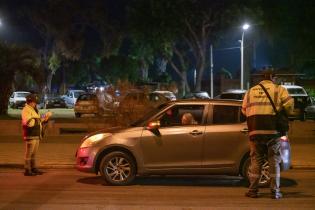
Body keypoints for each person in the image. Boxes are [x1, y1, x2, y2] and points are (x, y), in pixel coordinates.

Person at [242, 69, 294, 199]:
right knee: (274, 161)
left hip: (255, 132)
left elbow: (244, 110)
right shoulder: (279, 90)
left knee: (256, 161)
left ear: (261, 78)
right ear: (272, 77)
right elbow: (289, 106)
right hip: (273, 132)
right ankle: (275, 192)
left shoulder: (250, 92)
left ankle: (253, 191)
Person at [21, 93, 52, 176]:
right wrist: (37, 119)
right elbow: (28, 122)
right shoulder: (26, 110)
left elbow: (37, 120)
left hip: (36, 134)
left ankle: (33, 168)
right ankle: (27, 169)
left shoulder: (33, 109)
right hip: (30, 135)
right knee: (29, 153)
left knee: (34, 153)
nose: (35, 104)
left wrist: (45, 118)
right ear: (30, 102)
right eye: (34, 102)